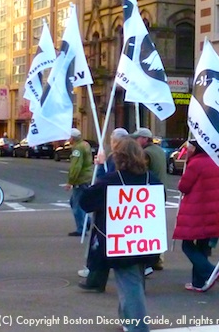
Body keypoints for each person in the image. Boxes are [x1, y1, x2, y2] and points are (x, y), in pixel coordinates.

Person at [80, 137, 161, 332]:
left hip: (122, 245)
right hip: (146, 242)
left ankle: (138, 328)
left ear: (118, 157)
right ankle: (127, 321)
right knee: (133, 282)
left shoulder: (110, 181)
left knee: (130, 285)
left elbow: (86, 202)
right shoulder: (152, 179)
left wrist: (99, 171)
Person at [172, 140, 219, 292]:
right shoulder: (213, 162)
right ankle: (199, 282)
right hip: (211, 210)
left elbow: (183, 186)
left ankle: (210, 271)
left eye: (190, 147)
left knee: (187, 245)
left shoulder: (195, 164)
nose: (188, 149)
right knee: (202, 246)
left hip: (196, 210)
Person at [77, 128, 129, 284]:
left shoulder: (115, 158)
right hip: (123, 207)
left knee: (100, 242)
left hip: (110, 207)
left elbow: (105, 180)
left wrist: (100, 165)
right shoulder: (131, 158)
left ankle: (95, 277)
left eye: (112, 141)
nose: (111, 144)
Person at [131, 127, 167, 270]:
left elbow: (140, 171)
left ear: (145, 139)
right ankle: (159, 258)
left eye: (138, 138)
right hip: (161, 190)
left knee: (148, 227)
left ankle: (151, 259)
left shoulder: (146, 153)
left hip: (150, 193)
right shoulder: (159, 150)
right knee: (158, 226)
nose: (136, 141)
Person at [64, 128, 93, 237]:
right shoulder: (85, 144)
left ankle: (82, 228)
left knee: (77, 205)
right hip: (87, 177)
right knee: (74, 202)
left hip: (80, 179)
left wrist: (70, 181)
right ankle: (87, 222)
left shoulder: (77, 149)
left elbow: (76, 166)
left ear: (72, 138)